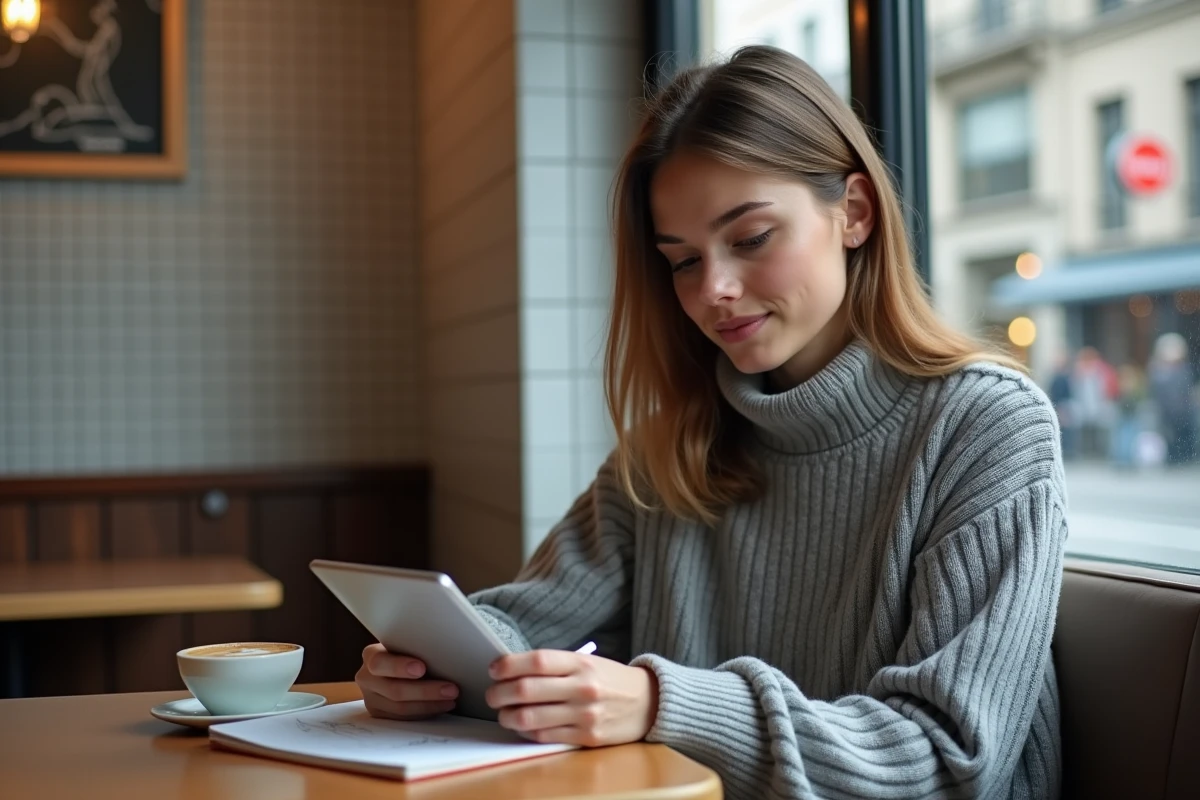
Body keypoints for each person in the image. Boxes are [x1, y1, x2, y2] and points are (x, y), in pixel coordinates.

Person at [357, 46, 1066, 799]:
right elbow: (524, 623)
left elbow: (947, 756)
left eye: (751, 238)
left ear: (854, 212)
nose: (714, 290)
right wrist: (432, 669)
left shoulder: (987, 425)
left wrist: (664, 705)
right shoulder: (672, 446)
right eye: (683, 261)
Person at [1149, 332, 1197, 465]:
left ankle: (1184, 458)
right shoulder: (1158, 369)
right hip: (1167, 410)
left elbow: (1188, 388)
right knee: (1169, 436)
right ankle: (1172, 458)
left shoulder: (1184, 369)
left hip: (1183, 410)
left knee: (1184, 435)